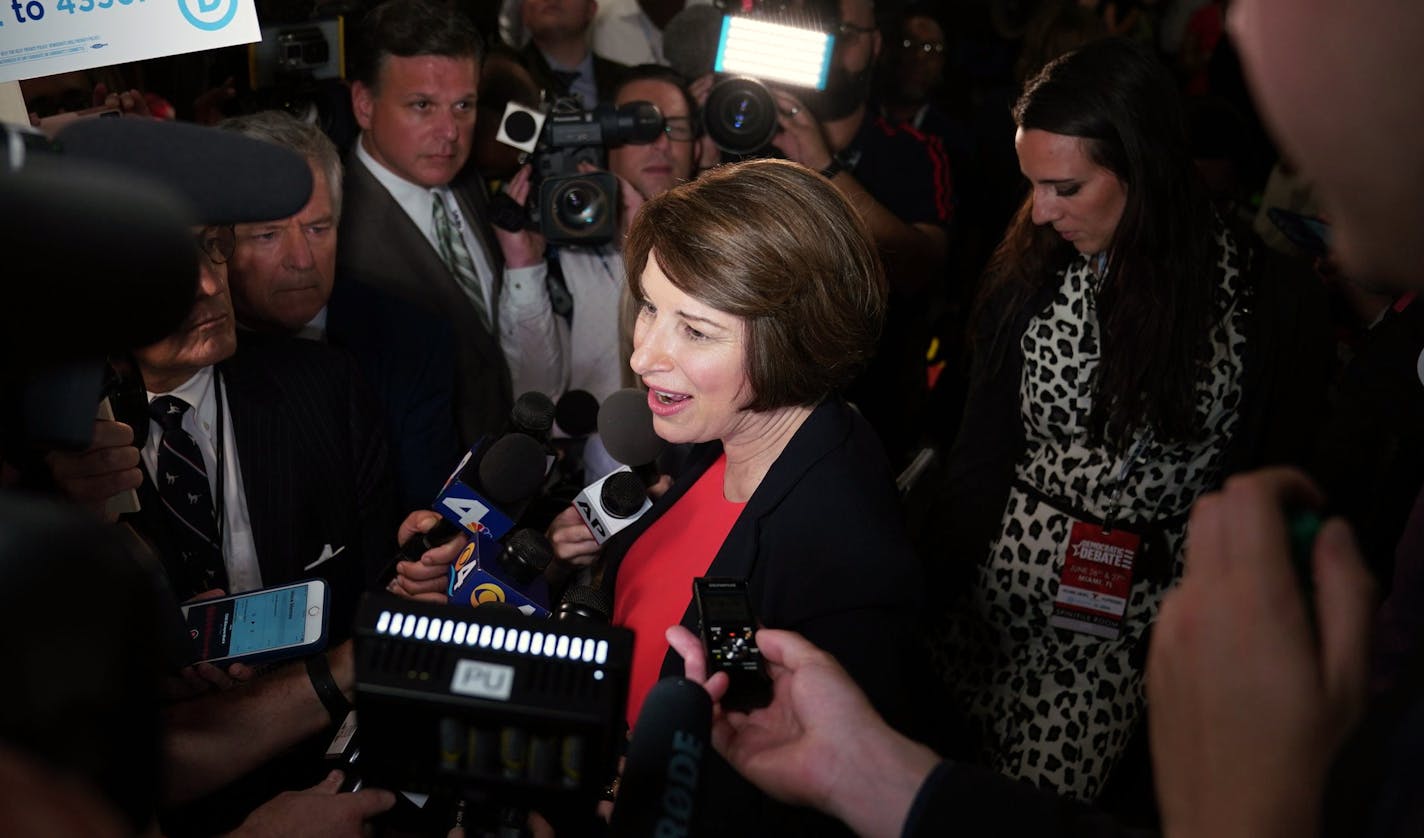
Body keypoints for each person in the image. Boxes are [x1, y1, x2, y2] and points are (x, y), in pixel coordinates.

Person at [401, 158, 925, 834]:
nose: (645, 353)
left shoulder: (847, 563)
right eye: (650, 306)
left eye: (695, 329)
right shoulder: (723, 435)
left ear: (796, 337)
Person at [925, 37, 1330, 801]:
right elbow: (978, 452)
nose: (1041, 213)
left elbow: (1277, 480)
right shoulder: (1030, 269)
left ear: (1142, 169)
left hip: (1130, 630)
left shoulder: (1269, 301)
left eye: (1066, 188)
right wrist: (932, 588)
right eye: (1033, 185)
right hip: (992, 606)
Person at [219, 110, 462, 511]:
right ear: (218, 240)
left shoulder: (414, 342)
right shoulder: (188, 358)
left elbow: (429, 515)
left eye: (318, 229)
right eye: (267, 235)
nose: (301, 260)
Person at [338, 0, 515, 446]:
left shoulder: (467, 181)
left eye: (463, 106)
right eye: (422, 105)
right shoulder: (333, 229)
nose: (450, 131)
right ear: (363, 104)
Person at [497, 64, 699, 405]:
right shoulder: (564, 250)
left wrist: (647, 247)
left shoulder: (729, 240)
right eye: (638, 128)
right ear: (602, 140)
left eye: (675, 128)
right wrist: (524, 270)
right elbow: (536, 391)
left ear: (698, 147)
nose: (660, 143)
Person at [519, 0, 630, 107]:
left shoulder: (629, 83)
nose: (552, 0)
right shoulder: (507, 79)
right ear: (523, 10)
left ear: (591, 8)